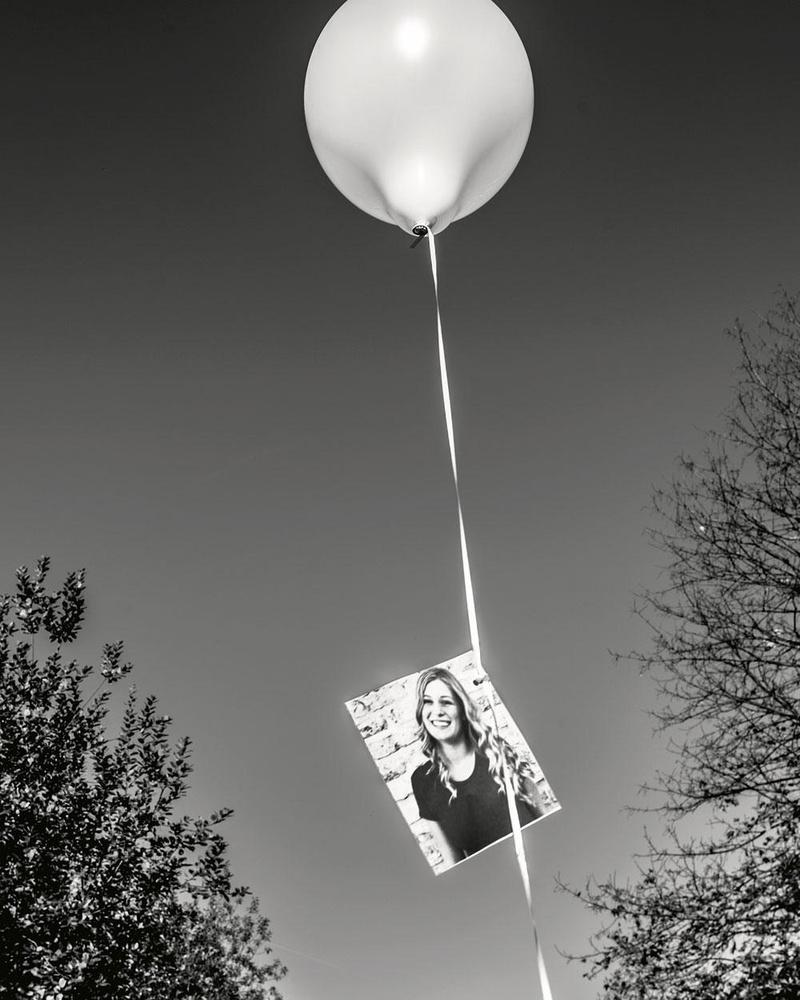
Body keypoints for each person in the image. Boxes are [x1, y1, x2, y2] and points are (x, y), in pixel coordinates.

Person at [410, 666, 545, 867]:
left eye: (446, 702)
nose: (436, 711)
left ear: (462, 709)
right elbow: (453, 861)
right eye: (428, 702)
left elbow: (543, 818)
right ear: (421, 711)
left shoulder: (495, 750)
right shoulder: (422, 781)